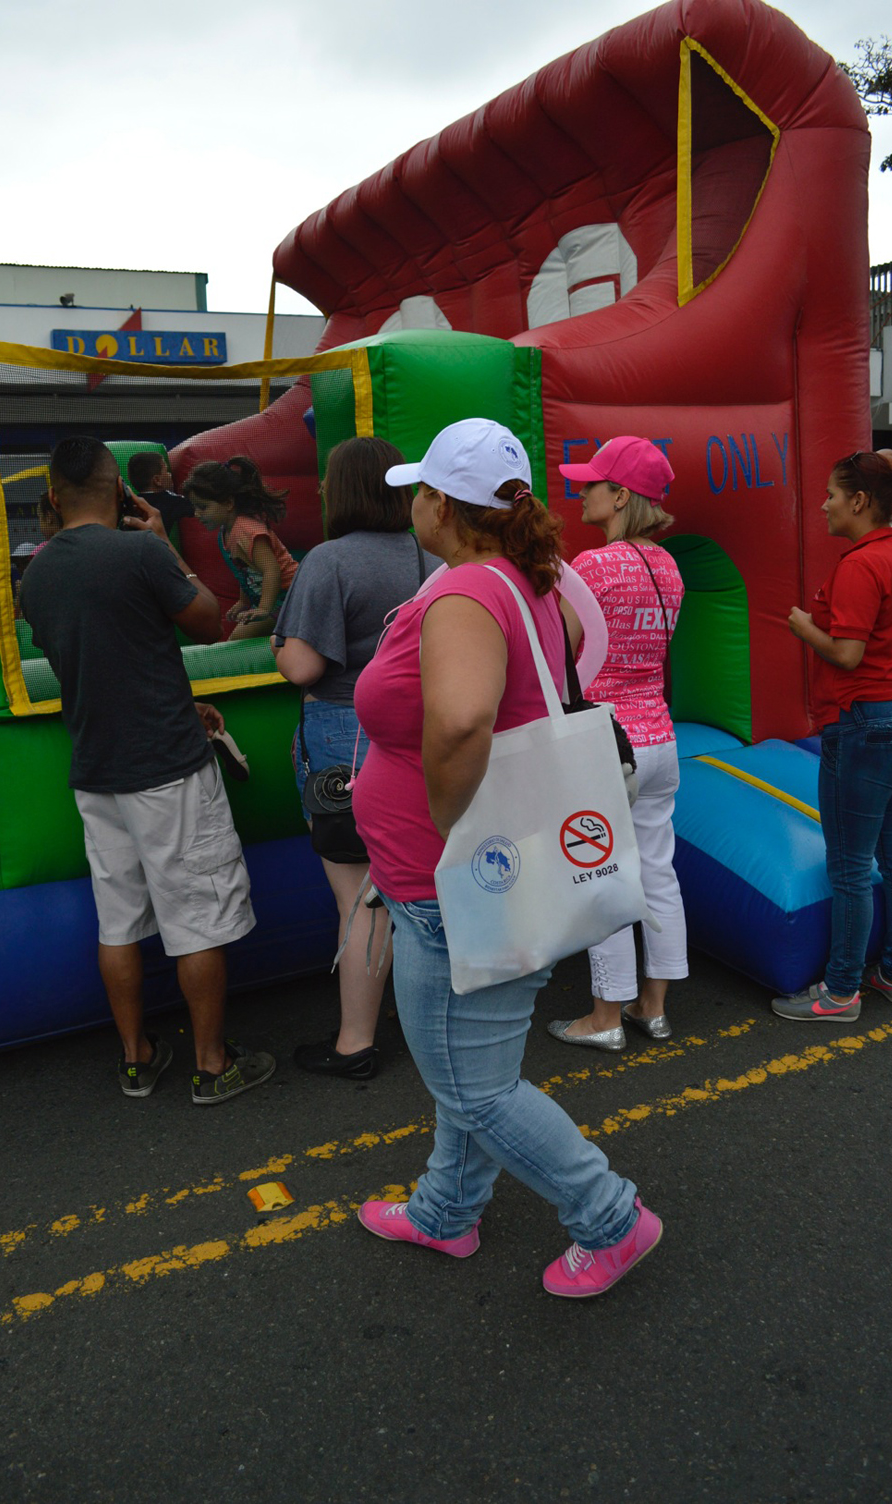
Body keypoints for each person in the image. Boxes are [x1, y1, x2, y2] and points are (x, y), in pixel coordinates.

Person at [351, 417, 662, 1299]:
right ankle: (446, 1212)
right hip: (481, 878)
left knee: (474, 1085)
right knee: (471, 1067)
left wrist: (445, 827)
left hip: (454, 885)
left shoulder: (463, 595)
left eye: (420, 491)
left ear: (442, 505)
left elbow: (459, 720)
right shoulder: (523, 584)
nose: (412, 503)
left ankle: (609, 1217)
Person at [19, 436, 275, 1104]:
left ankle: (136, 1058)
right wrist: (161, 540)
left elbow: (90, 652)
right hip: (165, 764)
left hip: (96, 769)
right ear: (120, 493)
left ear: (52, 496)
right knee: (196, 917)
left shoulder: (37, 573)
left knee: (118, 921)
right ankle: (212, 1065)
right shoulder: (138, 552)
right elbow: (207, 620)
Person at [272, 437, 439, 1079]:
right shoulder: (432, 554)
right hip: (422, 736)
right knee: (418, 888)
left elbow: (305, 664)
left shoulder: (330, 561)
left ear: (339, 491)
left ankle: (355, 1045)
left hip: (347, 737)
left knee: (363, 898)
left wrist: (281, 648)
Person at [772, 450, 892, 1021]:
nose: (823, 503)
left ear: (860, 502)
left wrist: (803, 625)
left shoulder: (860, 565)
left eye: (832, 494)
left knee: (849, 867)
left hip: (867, 726)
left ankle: (841, 992)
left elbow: (847, 653)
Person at [547, 436, 688, 1052]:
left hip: (606, 742)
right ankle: (651, 1007)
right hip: (660, 737)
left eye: (592, 484)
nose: (582, 492)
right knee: (658, 871)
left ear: (621, 495)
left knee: (599, 870)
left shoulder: (596, 566)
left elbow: (562, 653)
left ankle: (605, 1016)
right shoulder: (670, 566)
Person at [184, 456, 298, 640]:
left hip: (291, 599)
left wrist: (263, 608)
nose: (197, 514)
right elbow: (245, 571)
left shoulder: (247, 530)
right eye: (195, 507)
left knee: (239, 637)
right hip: (275, 599)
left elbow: (272, 570)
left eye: (203, 507)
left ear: (229, 503)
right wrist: (243, 602)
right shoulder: (226, 532)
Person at [127, 451, 193, 536]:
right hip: (159, 546)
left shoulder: (133, 503)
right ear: (157, 480)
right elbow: (195, 507)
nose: (170, 475)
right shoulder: (171, 501)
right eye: (166, 471)